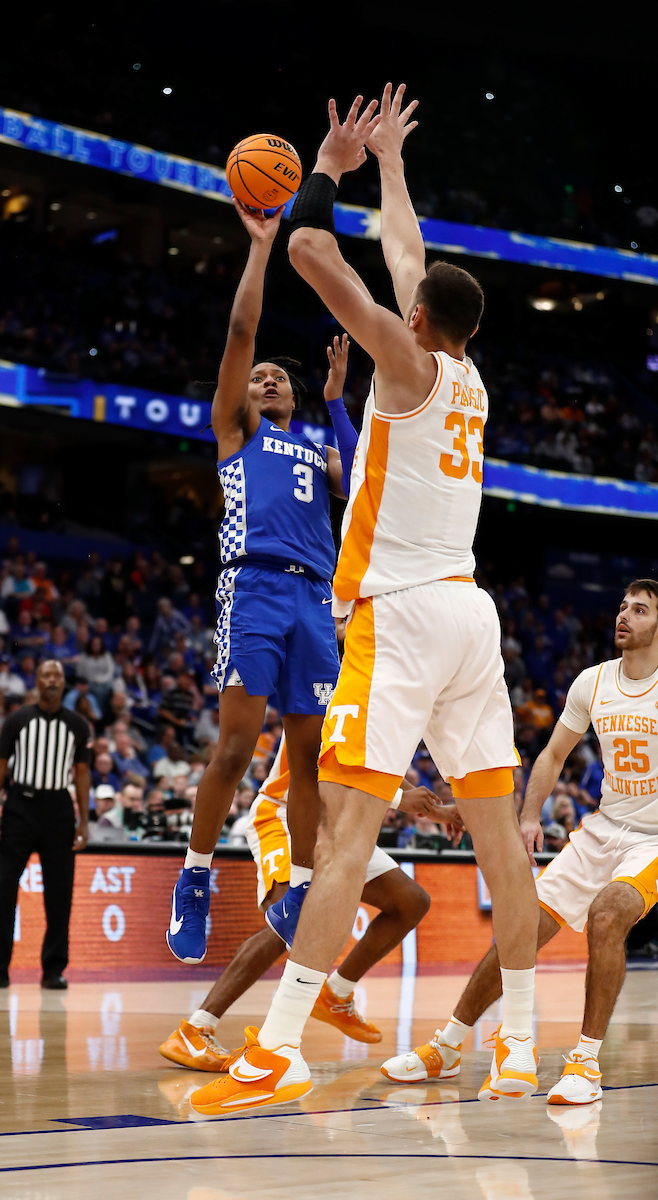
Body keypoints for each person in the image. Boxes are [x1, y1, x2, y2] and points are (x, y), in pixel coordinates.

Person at [191, 86, 538, 1116]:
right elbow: (404, 258)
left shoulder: (397, 359)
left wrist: (328, 170)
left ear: (418, 320)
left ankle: (280, 1044)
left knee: (341, 835)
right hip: (473, 616)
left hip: (399, 614)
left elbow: (312, 256)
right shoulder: (468, 378)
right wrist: (391, 167)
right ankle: (516, 1049)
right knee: (499, 844)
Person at [166, 198, 355, 967]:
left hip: (315, 600)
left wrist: (340, 403)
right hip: (253, 590)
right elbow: (244, 336)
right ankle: (197, 874)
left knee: (307, 757)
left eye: (283, 378)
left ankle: (304, 886)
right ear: (245, 398)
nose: (271, 379)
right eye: (262, 378)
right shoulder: (234, 434)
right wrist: (260, 249)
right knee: (238, 744)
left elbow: (366, 477)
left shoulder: (315, 453)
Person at [383, 580, 658, 1106]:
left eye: (640, 610)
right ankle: (448, 1045)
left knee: (607, 914)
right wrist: (529, 816)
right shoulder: (592, 683)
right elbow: (553, 755)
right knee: (519, 929)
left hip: (652, 841)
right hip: (602, 829)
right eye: (622, 606)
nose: (624, 616)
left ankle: (585, 1062)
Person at [161, 735, 459, 1069]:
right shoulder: (334, 686)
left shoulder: (382, 696)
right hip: (285, 816)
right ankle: (196, 1028)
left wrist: (437, 810)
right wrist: (400, 798)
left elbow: (378, 763)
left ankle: (336, 994)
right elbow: (328, 764)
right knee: (290, 920)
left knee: (410, 902)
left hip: (335, 827)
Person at [0, 660, 91, 990]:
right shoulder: (17, 720)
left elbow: (82, 773)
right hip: (19, 807)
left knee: (59, 894)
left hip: (58, 809)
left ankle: (53, 970)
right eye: (46, 676)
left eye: (57, 676)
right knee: (4, 888)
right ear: (37, 682)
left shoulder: (78, 726)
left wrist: (84, 819)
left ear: (64, 683)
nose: (52, 681)